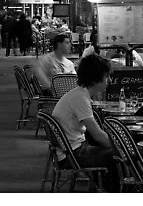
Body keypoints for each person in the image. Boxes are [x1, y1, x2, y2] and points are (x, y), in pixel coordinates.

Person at [52, 54, 121, 192]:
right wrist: (122, 149)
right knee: (116, 157)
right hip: (73, 153)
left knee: (112, 152)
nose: (110, 80)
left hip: (69, 149)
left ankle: (101, 189)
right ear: (96, 78)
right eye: (107, 76)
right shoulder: (81, 98)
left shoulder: (79, 94)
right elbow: (98, 135)